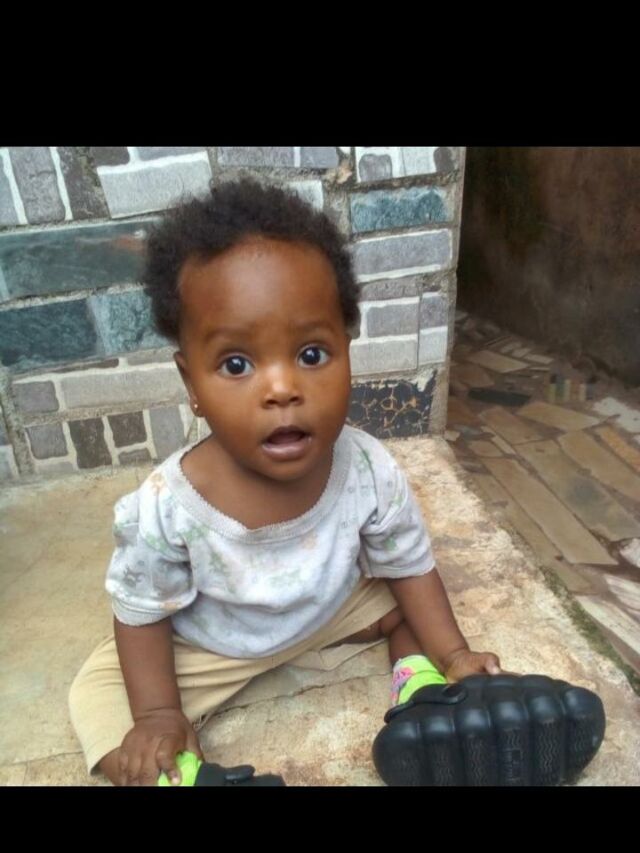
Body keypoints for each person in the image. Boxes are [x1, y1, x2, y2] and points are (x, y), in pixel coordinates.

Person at [69, 178, 501, 786]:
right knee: (101, 697)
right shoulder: (167, 507)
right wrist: (160, 712)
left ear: (348, 350)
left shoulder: (369, 469)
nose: (282, 388)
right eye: (237, 364)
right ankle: (180, 775)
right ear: (191, 384)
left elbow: (408, 565)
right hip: (213, 647)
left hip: (329, 611)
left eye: (311, 354)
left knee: (409, 600)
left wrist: (454, 655)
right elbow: (140, 613)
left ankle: (425, 696)